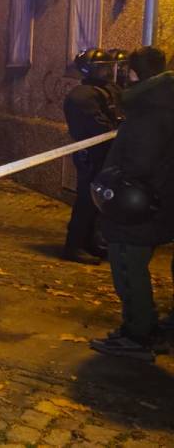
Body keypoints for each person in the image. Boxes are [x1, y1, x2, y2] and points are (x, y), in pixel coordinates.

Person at [89, 46, 174, 361]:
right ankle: (145, 328)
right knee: (133, 266)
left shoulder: (149, 112)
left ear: (135, 74)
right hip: (159, 204)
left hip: (136, 209)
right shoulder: (164, 103)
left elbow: (138, 165)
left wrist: (110, 182)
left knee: (128, 268)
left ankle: (139, 334)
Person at [62, 48, 124, 264]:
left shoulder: (107, 89)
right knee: (86, 201)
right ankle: (74, 245)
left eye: (108, 67)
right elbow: (98, 126)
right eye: (103, 67)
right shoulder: (82, 95)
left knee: (98, 202)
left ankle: (89, 242)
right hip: (91, 154)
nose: (108, 71)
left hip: (107, 152)